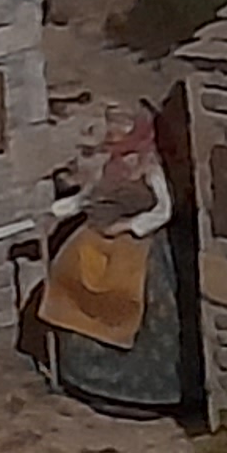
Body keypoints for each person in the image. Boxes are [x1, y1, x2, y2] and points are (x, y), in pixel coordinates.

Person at [39, 108, 190, 416]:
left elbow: (163, 210)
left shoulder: (150, 168)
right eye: (112, 128)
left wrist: (128, 226)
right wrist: (56, 211)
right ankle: (86, 379)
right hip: (95, 238)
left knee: (138, 296)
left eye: (121, 128)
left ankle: (147, 392)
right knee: (68, 279)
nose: (114, 134)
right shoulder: (109, 166)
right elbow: (86, 198)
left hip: (136, 245)